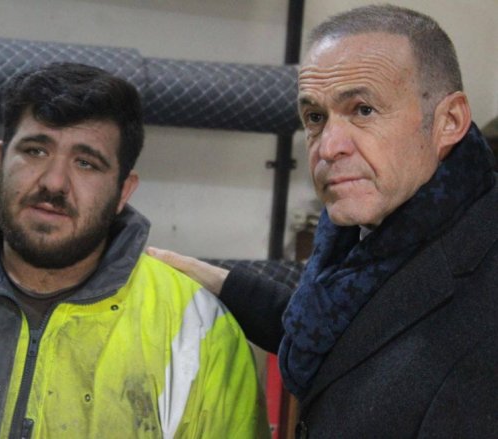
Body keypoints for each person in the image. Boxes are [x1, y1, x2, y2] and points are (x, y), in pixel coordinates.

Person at [0, 63, 269, 438]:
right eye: (35, 150)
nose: (54, 182)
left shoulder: (198, 330)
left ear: (123, 190)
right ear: (0, 160)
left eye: (86, 163)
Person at [149, 5, 498, 438]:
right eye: (316, 117)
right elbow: (344, 336)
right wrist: (214, 280)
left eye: (363, 110)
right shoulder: (367, 232)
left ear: (449, 121)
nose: (328, 147)